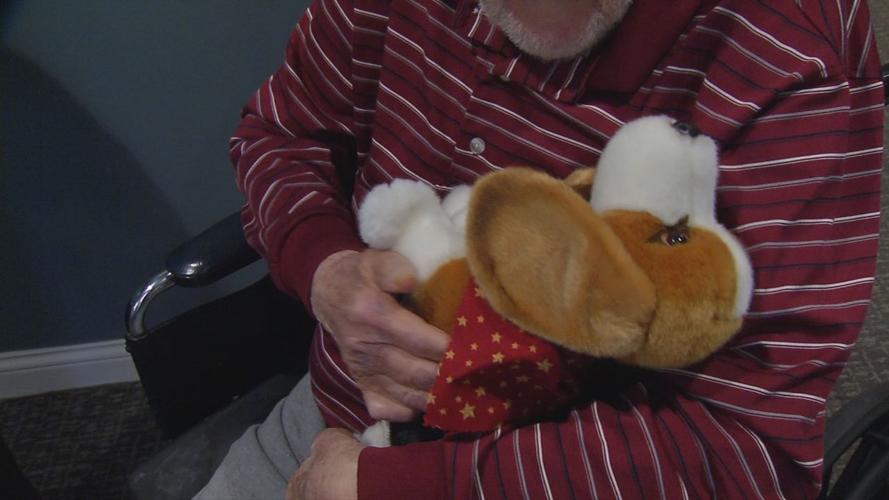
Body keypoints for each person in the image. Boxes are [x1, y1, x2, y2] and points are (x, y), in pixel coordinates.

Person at [196, 0, 885, 498]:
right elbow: (282, 136)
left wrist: (402, 484)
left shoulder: (791, 51)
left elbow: (750, 451)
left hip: (578, 467)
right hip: (334, 416)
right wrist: (323, 265)